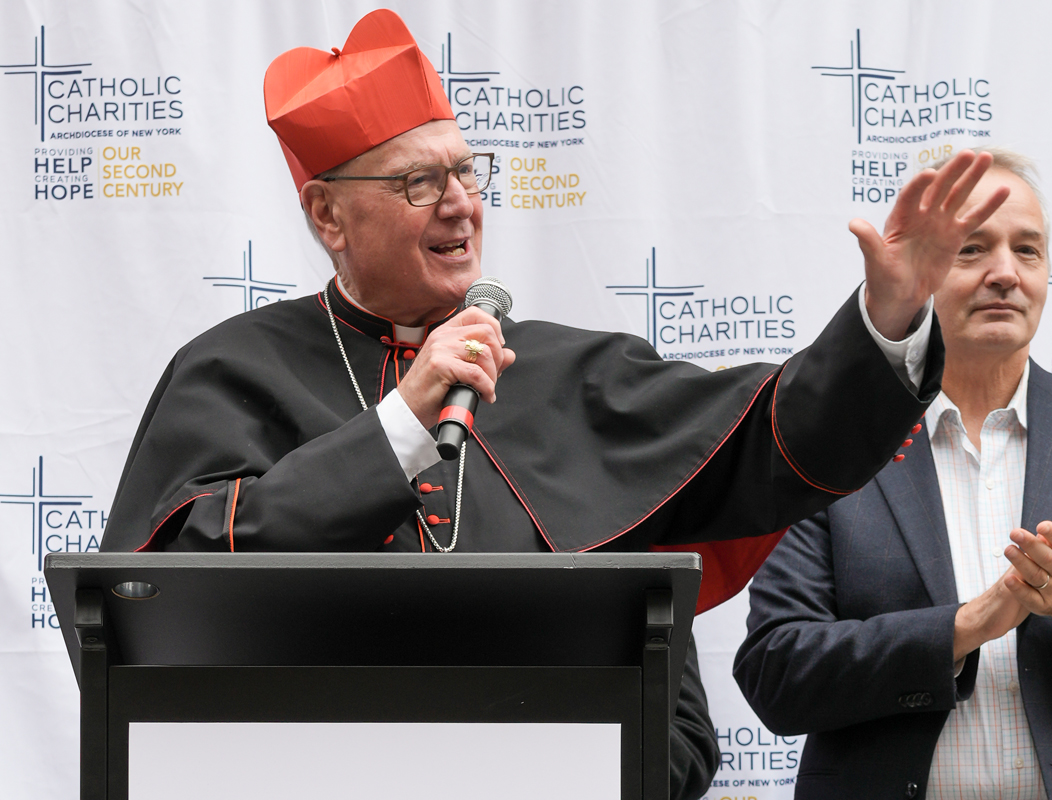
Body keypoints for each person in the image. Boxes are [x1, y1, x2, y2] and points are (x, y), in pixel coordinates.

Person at [99, 10, 1005, 799]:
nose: (460, 204)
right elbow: (171, 586)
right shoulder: (230, 371)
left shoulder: (576, 372)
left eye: (466, 171)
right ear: (328, 216)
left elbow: (770, 436)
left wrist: (887, 322)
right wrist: (402, 427)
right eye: (419, 182)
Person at [734, 149, 1052, 800]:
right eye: (973, 249)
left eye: (1028, 250)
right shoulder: (833, 443)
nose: (1006, 273)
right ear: (920, 275)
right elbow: (775, 673)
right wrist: (965, 627)